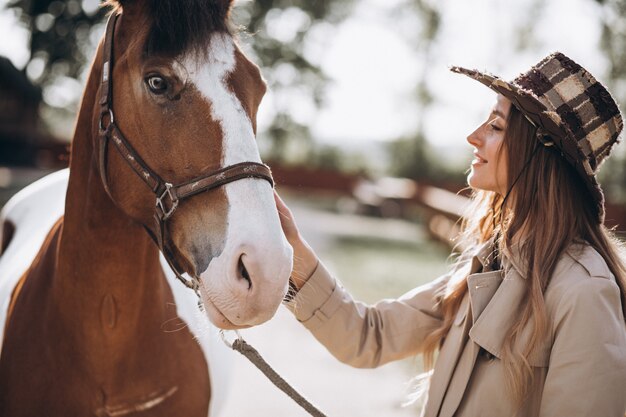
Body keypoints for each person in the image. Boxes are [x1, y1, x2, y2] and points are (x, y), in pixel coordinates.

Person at [274, 52, 626, 417]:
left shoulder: (584, 290)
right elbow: (369, 337)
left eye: (496, 126)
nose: (473, 137)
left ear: (539, 152)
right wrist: (292, 250)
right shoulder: (490, 264)